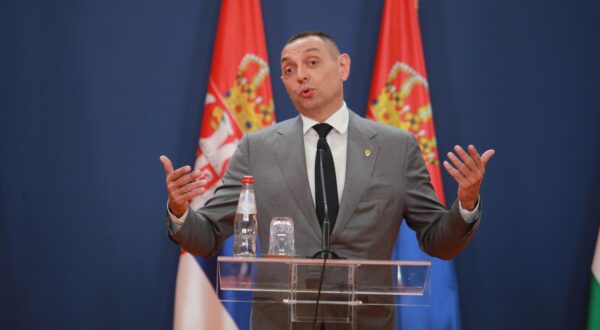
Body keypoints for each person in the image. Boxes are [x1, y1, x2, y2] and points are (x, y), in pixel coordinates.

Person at [160, 31, 494, 329]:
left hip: (366, 322)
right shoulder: (256, 148)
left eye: (312, 62)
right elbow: (206, 236)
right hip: (280, 322)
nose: (300, 75)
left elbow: (438, 240)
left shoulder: (397, 147)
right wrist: (180, 211)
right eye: (289, 70)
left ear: (343, 66)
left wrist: (465, 204)